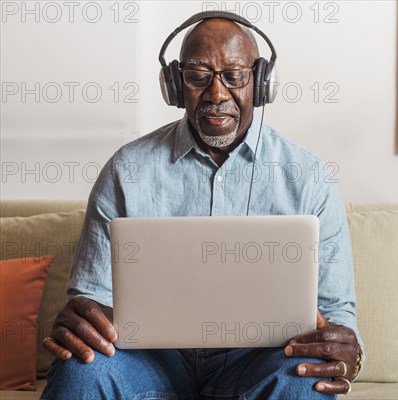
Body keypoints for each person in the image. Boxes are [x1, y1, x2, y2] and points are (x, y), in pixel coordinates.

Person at [41, 11, 363, 400]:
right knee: (81, 370)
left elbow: (337, 312)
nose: (216, 94)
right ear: (176, 85)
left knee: (306, 383)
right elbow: (92, 296)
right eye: (198, 77)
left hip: (260, 360)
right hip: (149, 359)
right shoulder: (126, 170)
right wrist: (83, 317)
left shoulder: (310, 177)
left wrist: (345, 349)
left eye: (234, 75)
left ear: (261, 83)